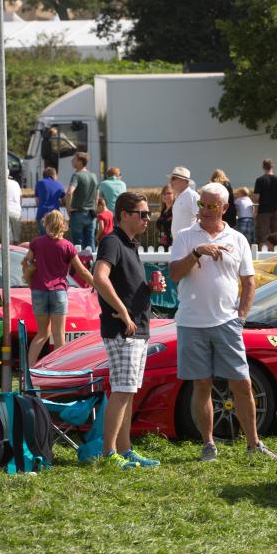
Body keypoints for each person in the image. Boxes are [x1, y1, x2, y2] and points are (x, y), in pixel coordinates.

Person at [169, 182, 277, 462]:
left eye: (211, 206)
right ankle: (208, 444)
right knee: (201, 384)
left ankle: (253, 443)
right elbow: (175, 274)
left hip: (227, 322)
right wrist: (196, 253)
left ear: (225, 208)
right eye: (202, 205)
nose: (204, 211)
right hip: (192, 323)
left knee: (241, 383)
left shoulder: (238, 239)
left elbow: (249, 282)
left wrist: (241, 317)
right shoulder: (185, 236)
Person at [94, 192, 160, 470]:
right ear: (124, 215)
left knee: (128, 391)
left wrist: (150, 289)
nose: (148, 219)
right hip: (124, 330)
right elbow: (99, 277)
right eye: (142, 214)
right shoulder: (112, 241)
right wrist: (122, 312)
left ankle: (125, 450)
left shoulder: (130, 245)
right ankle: (110, 453)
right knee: (121, 391)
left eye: (148, 214)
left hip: (136, 329)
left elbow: (128, 285)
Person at [22, 210, 95, 369]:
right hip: (58, 292)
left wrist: (32, 273)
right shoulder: (68, 246)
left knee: (42, 333)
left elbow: (27, 262)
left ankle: (28, 371)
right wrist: (96, 284)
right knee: (59, 334)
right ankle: (58, 370)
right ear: (62, 225)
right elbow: (82, 271)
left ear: (46, 224)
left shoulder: (36, 243)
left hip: (39, 290)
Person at [64, 152, 99, 248]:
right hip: (91, 214)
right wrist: (94, 208)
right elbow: (97, 196)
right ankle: (91, 262)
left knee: (78, 245)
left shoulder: (76, 175)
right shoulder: (93, 176)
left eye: (74, 159)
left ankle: (79, 263)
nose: (72, 161)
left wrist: (68, 208)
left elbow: (70, 192)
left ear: (80, 161)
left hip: (78, 213)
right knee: (90, 242)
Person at [252, 159, 277, 240]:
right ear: (272, 167)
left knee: (264, 234)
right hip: (276, 210)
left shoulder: (259, 180)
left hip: (263, 211)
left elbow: (256, 198)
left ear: (263, 167)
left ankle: (264, 250)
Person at [0, 171, 22, 245]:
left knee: (7, 239)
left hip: (3, 211)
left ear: (0, 176)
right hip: (16, 211)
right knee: (17, 238)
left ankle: (9, 255)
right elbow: (21, 200)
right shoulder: (16, 183)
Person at [168, 166, 199, 239]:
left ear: (184, 181)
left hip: (189, 242)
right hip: (179, 242)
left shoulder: (193, 196)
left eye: (173, 178)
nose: (170, 182)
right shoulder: (178, 197)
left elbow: (201, 217)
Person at [35, 167, 65, 236]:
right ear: (54, 175)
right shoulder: (59, 185)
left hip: (42, 214)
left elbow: (37, 201)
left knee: (43, 238)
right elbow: (64, 201)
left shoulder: (39, 183)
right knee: (56, 236)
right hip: (55, 216)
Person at [156, 184, 175, 248]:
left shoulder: (175, 210)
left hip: (172, 244)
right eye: (164, 193)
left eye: (169, 193)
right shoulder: (163, 211)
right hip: (162, 245)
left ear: (174, 195)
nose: (166, 195)